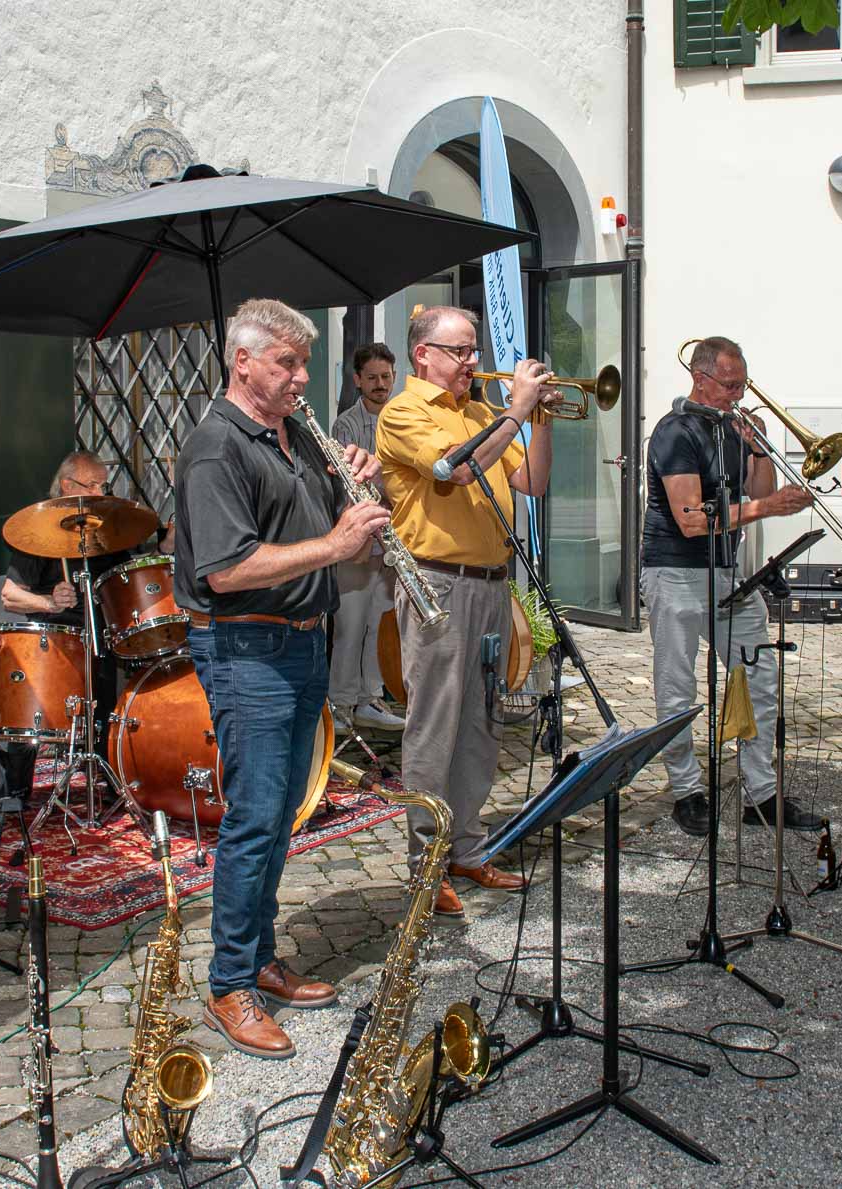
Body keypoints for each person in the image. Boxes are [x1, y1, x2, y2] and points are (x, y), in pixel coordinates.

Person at [170, 298, 390, 1060]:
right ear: (243, 363)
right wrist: (334, 542)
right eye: (287, 364)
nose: (302, 377)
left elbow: (338, 540)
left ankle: (259, 955)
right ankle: (228, 981)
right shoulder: (215, 448)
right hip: (245, 649)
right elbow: (228, 568)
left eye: (303, 363)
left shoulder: (293, 437)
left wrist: (356, 486)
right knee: (254, 816)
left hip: (300, 643)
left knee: (285, 812)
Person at [375, 306, 551, 919]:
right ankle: (426, 867)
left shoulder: (480, 410)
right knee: (436, 724)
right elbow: (459, 466)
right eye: (460, 350)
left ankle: (467, 848)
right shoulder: (404, 411)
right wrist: (517, 411)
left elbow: (530, 482)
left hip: (491, 581)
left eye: (474, 349)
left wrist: (541, 420)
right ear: (424, 353)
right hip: (438, 586)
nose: (473, 361)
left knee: (483, 720)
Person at [642, 335, 825, 837]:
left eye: (742, 384)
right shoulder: (674, 431)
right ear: (701, 379)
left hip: (727, 574)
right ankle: (687, 791)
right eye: (729, 385)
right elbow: (691, 519)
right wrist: (767, 508)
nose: (738, 395)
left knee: (759, 674)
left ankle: (761, 795)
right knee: (677, 687)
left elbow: (759, 490)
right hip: (674, 570)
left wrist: (760, 448)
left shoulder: (729, 429)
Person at [0, 450, 138, 825]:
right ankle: (1, 793)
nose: (101, 491)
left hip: (103, 635)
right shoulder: (39, 533)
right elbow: (10, 596)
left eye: (103, 484)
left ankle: (117, 775)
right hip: (53, 641)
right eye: (93, 485)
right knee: (22, 701)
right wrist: (48, 601)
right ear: (68, 486)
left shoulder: (113, 530)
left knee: (121, 692)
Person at [327, 343, 405, 734]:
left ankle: (369, 699)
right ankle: (340, 705)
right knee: (350, 625)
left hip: (392, 538)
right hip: (358, 538)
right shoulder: (345, 424)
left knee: (380, 622)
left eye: (386, 377)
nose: (380, 385)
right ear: (357, 380)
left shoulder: (403, 417)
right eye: (372, 377)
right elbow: (350, 485)